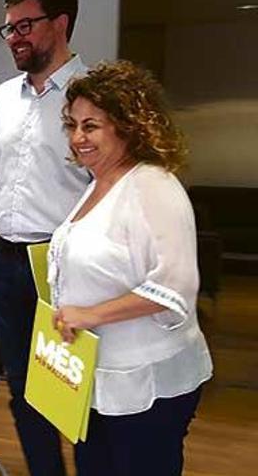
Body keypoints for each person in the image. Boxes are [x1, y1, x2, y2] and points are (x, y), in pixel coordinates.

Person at [51, 60, 212, 476]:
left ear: (127, 125)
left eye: (91, 126)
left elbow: (174, 288)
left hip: (148, 383)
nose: (78, 137)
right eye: (72, 125)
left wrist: (90, 314)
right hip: (98, 377)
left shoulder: (152, 185)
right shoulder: (97, 183)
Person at [0, 0, 90, 473]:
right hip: (10, 263)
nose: (14, 37)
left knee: (77, 393)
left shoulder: (92, 96)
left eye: (24, 26)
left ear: (61, 23)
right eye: (8, 28)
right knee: (25, 389)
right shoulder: (2, 99)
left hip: (71, 269)